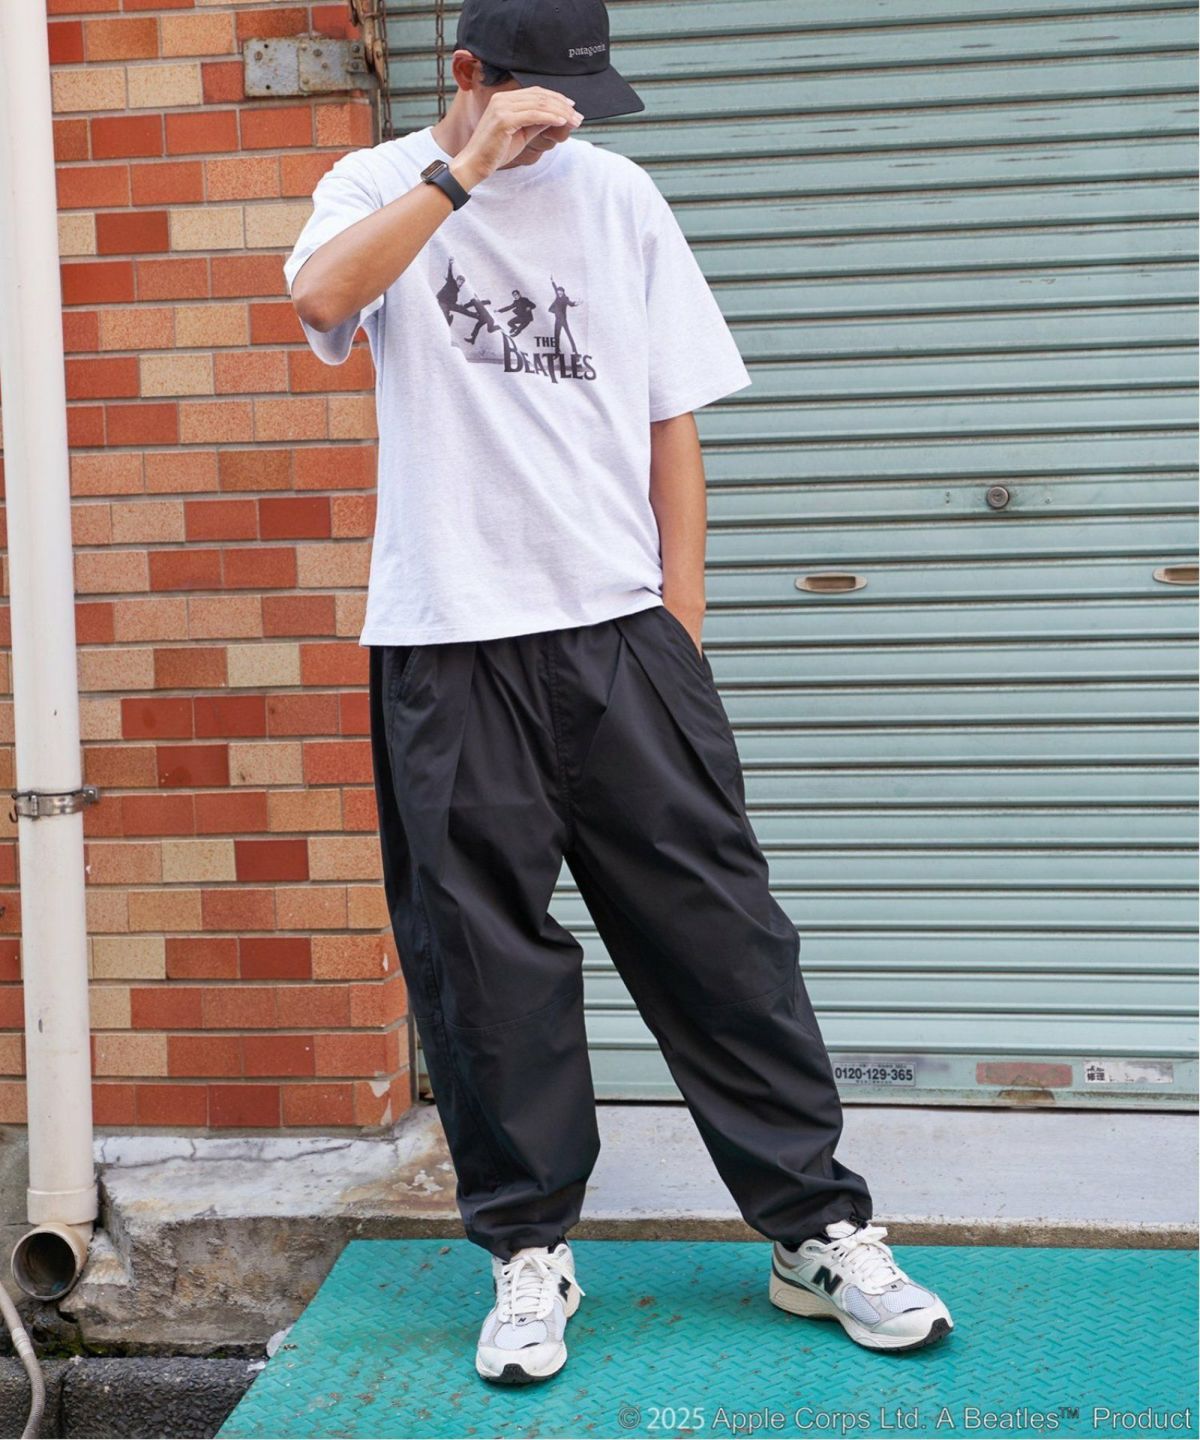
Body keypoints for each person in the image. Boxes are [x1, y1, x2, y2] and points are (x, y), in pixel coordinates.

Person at [284, 0, 954, 1387]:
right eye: (536, 101)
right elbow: (324, 300)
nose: (561, 129)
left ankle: (815, 1232)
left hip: (620, 637)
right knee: (483, 970)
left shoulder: (619, 195)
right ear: (467, 74)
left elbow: (670, 418)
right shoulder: (377, 184)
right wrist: (466, 171)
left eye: (580, 102)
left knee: (724, 943)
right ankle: (528, 1253)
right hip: (449, 640)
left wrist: (678, 626)